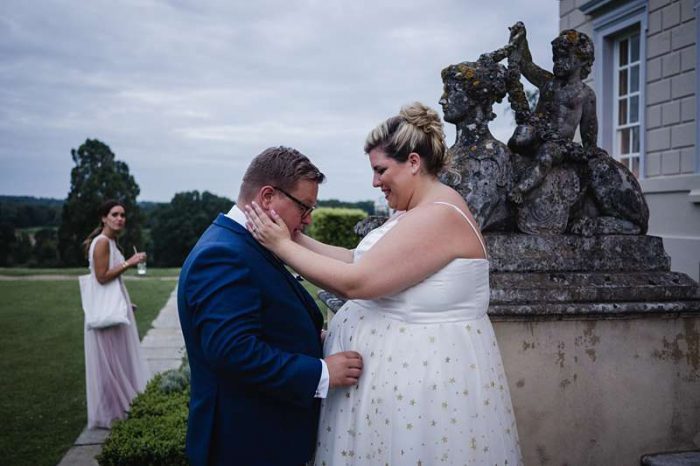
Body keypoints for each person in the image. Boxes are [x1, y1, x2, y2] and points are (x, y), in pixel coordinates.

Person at [246, 104, 522, 465]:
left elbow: (357, 283)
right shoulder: (417, 212)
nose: (375, 182)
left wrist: (281, 245)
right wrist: (292, 236)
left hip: (424, 391)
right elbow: (355, 259)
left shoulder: (440, 215)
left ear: (412, 162)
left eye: (380, 170)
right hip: (395, 388)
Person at [177, 146, 363, 466]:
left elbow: (265, 320)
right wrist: (321, 372)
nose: (307, 220)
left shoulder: (249, 243)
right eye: (305, 207)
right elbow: (233, 351)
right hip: (245, 444)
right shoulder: (223, 254)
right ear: (267, 197)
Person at [506, 22, 597, 205]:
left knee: (547, 154)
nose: (557, 62)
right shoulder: (548, 82)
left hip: (559, 144)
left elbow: (589, 131)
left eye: (563, 57)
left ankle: (521, 189)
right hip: (538, 132)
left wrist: (588, 155)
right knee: (520, 136)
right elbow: (526, 65)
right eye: (555, 58)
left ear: (581, 60)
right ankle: (508, 167)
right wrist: (521, 41)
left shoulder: (586, 94)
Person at [82, 199, 149, 429]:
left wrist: (124, 304)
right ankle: (112, 411)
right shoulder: (101, 242)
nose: (120, 218)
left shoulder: (111, 242)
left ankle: (118, 408)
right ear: (104, 218)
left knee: (118, 360)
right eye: (114, 214)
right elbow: (101, 277)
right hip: (104, 313)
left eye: (122, 214)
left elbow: (110, 281)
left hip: (115, 306)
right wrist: (130, 262)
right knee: (110, 363)